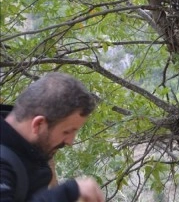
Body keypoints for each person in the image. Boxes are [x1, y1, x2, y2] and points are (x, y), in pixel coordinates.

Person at [0, 72, 105, 202]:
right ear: (38, 124)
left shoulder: (27, 154)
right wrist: (68, 192)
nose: (70, 142)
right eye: (67, 132)